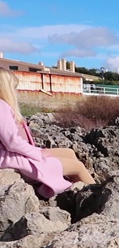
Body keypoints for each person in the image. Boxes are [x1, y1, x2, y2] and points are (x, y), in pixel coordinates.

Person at [0, 67, 95, 198]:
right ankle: (97, 198)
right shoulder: (1, 106)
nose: (16, 91)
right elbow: (12, 143)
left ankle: (75, 195)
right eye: (13, 86)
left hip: (14, 155)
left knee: (69, 153)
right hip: (11, 159)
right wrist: (37, 153)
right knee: (78, 167)